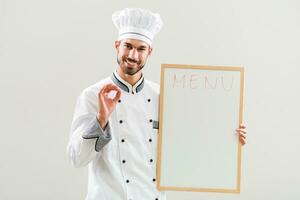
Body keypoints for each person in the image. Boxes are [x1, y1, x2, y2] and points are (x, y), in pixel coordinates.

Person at [67, 8, 247, 200]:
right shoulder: (92, 95)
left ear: (149, 51)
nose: (133, 55)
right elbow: (77, 159)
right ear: (117, 45)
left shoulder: (164, 96)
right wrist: (101, 118)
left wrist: (228, 139)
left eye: (141, 48)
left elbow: (188, 144)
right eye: (127, 46)